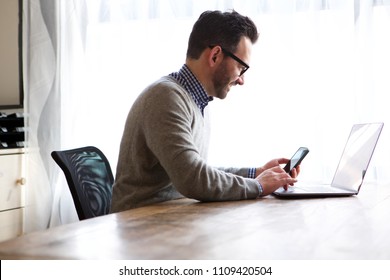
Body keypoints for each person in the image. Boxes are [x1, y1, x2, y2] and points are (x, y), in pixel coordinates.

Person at [110, 10, 298, 212]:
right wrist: (259, 186)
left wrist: (256, 173)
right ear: (216, 55)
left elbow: (197, 171)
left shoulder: (196, 102)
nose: (242, 80)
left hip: (169, 218)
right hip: (139, 229)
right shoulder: (165, 98)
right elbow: (193, 178)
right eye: (241, 68)